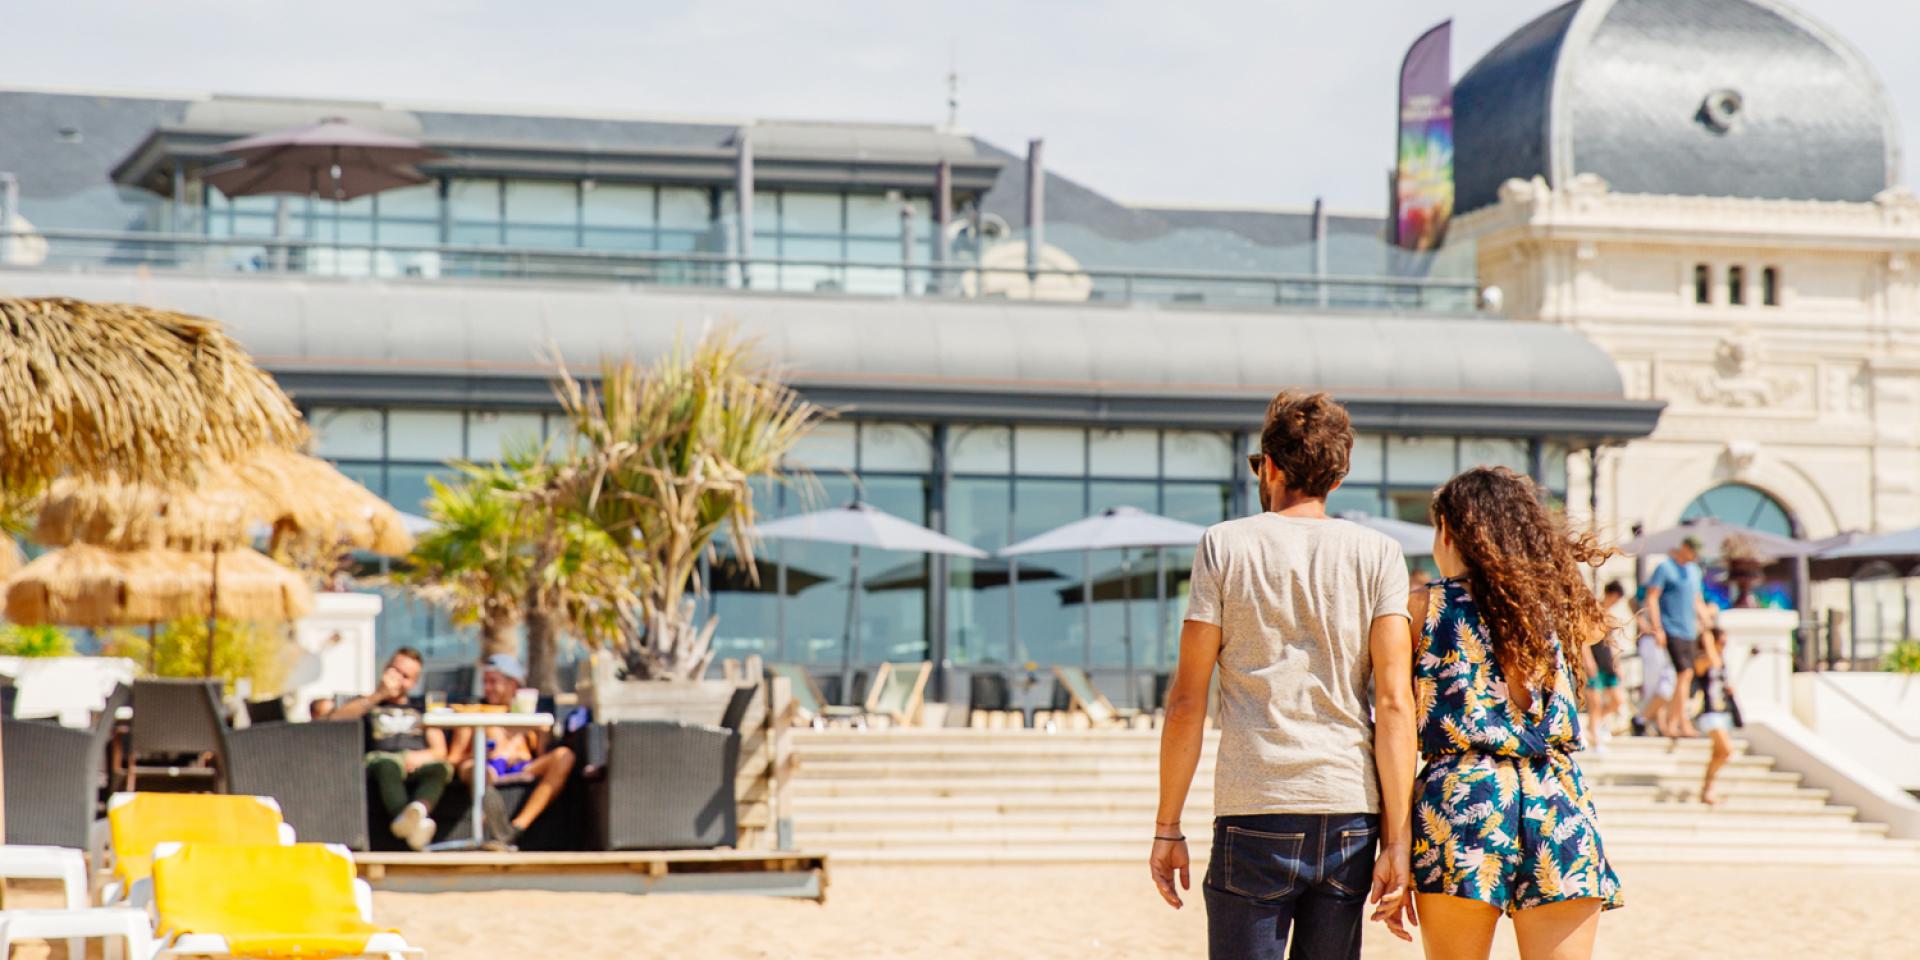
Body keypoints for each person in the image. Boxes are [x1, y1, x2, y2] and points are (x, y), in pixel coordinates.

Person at [1151, 390, 1419, 957]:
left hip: (1257, 802)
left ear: (1269, 466)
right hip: (1350, 805)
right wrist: (1398, 839)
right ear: (1338, 477)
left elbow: (1186, 701)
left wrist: (1168, 826)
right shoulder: (1379, 553)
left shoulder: (1225, 545)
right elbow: (1395, 703)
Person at [1413, 467, 1623, 959]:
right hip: (1557, 797)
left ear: (1449, 531)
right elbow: (1594, 631)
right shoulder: (1565, 607)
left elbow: (1400, 720)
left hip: (1464, 797)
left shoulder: (1423, 608)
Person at [449, 653, 575, 852]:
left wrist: (542, 735)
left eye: (493, 682)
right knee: (479, 770)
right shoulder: (472, 713)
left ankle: (516, 828)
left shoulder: (528, 716)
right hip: (484, 767)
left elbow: (541, 757)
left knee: (564, 756)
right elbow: (453, 760)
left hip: (522, 766)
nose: (487, 688)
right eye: (485, 682)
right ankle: (492, 818)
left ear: (513, 684)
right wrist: (480, 757)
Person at [330, 649, 450, 851]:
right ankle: (410, 823)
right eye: (395, 670)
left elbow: (439, 750)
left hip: (415, 760)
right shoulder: (367, 704)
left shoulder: (421, 707)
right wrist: (378, 695)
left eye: (406, 676)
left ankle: (418, 812)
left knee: (441, 768)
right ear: (385, 670)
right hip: (380, 759)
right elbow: (334, 721)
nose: (398, 679)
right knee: (388, 765)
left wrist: (419, 757)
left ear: (414, 682)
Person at [1642, 536, 1711, 739]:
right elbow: (1652, 597)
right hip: (1671, 628)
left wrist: (1706, 619)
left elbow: (1696, 599)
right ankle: (1678, 723)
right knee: (1684, 674)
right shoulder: (1665, 568)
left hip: (1689, 630)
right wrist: (1657, 628)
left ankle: (1675, 722)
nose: (1695, 556)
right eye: (1693, 552)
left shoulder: (1694, 571)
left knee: (1685, 676)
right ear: (1684, 548)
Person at [1581, 582, 1629, 751]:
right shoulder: (1592, 612)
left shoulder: (1608, 615)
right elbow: (1584, 639)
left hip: (1607, 662)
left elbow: (1612, 642)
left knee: (1618, 700)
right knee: (1595, 702)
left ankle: (1595, 726)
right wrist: (1588, 661)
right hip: (1594, 661)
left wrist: (1618, 664)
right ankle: (1595, 738)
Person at [1694, 628, 1737, 805]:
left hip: (1722, 713)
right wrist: (1708, 640)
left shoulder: (1722, 661)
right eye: (1721, 642)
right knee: (1727, 749)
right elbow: (1711, 663)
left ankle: (1708, 788)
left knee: (1719, 753)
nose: (1723, 647)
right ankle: (1707, 788)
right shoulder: (1703, 660)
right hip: (1707, 713)